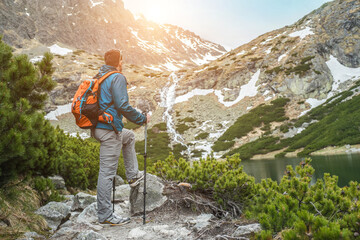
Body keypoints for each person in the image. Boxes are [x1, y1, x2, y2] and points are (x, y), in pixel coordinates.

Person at [93, 49, 150, 225]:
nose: (122, 64)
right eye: (122, 61)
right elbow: (122, 105)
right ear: (119, 62)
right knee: (107, 174)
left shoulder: (100, 76)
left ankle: (132, 175)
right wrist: (141, 119)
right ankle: (105, 215)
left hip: (99, 127)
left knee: (129, 136)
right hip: (109, 130)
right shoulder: (117, 76)